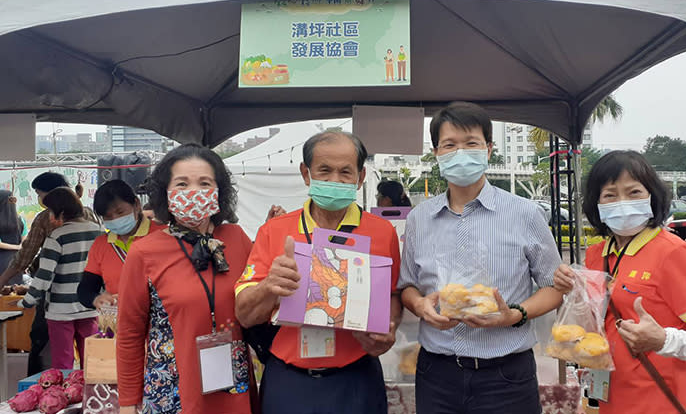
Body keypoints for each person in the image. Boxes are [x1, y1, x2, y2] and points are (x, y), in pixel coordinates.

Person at [398, 102, 563, 414]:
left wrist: (516, 314)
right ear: (436, 153)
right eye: (449, 145)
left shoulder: (525, 213)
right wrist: (419, 305)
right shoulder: (419, 218)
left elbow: (554, 287)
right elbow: (406, 285)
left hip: (506, 375)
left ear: (488, 149)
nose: (460, 152)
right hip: (437, 373)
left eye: (471, 143)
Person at [235, 131, 402, 414]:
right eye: (324, 171)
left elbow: (393, 294)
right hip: (289, 380)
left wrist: (389, 328)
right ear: (306, 173)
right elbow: (244, 314)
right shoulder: (274, 231)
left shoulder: (382, 232)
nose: (334, 181)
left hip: (356, 378)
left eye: (345, 172)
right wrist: (268, 287)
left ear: (360, 177)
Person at [553, 150, 686, 414]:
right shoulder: (596, 254)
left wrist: (663, 340)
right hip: (606, 400)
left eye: (634, 192)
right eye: (610, 195)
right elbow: (596, 320)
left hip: (662, 402)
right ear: (596, 204)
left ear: (652, 197)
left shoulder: (674, 253)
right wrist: (570, 291)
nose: (622, 202)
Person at [116, 144, 257, 414]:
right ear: (165, 193)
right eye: (182, 184)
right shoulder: (145, 252)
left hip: (231, 381)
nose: (194, 191)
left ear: (219, 192)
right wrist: (127, 403)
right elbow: (130, 334)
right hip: (171, 388)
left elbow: (258, 303)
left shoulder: (237, 240)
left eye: (205, 183)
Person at [0, 172, 98, 375]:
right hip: (89, 304)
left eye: (39, 193)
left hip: (59, 308)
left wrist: (26, 301)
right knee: (92, 357)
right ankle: (90, 399)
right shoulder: (94, 224)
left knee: (60, 359)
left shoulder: (54, 231)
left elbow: (42, 273)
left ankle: (54, 394)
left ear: (56, 209)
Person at [77, 180, 165, 310]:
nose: (114, 219)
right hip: (121, 323)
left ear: (136, 204)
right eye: (107, 216)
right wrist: (96, 299)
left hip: (161, 323)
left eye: (120, 212)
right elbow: (86, 289)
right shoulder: (101, 244)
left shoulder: (163, 236)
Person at [0, 190, 24, 285]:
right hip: (17, 260)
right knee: (15, 291)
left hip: (2, 259)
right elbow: (25, 236)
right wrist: (19, 247)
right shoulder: (20, 219)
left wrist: (17, 247)